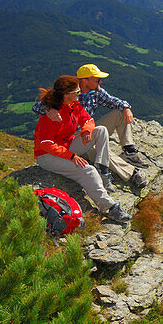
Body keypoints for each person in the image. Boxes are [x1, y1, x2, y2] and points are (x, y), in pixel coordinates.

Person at [33, 63, 147, 189]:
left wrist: (126, 107)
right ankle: (130, 173)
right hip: (74, 136)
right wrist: (49, 109)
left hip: (88, 127)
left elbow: (113, 101)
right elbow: (37, 106)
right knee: (96, 148)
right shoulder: (69, 91)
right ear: (85, 80)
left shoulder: (96, 92)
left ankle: (129, 150)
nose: (100, 82)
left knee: (120, 113)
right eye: (97, 79)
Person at [34, 75, 129, 224]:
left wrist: (86, 131)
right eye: (76, 92)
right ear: (66, 95)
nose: (79, 94)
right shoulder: (51, 115)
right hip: (47, 156)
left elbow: (88, 120)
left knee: (101, 130)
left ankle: (103, 169)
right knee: (87, 170)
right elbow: (46, 144)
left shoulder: (74, 106)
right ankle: (109, 207)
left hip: (66, 146)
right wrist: (71, 156)